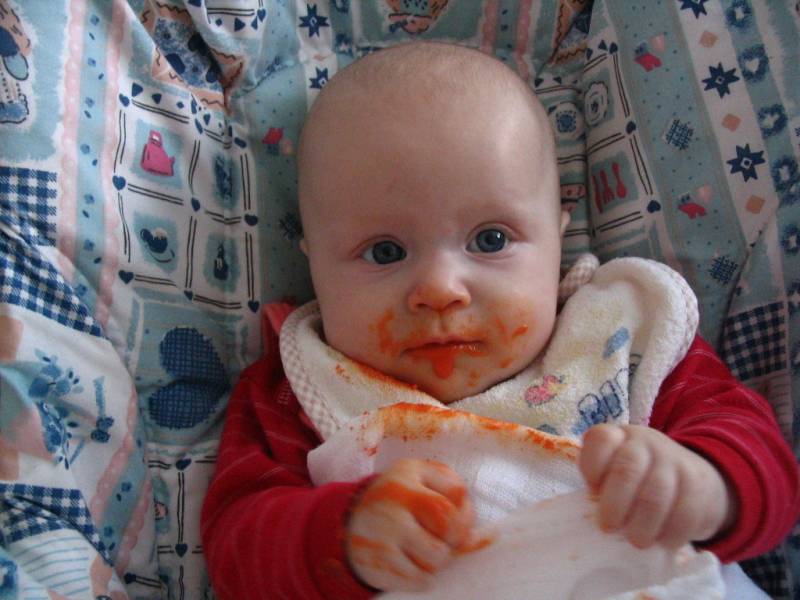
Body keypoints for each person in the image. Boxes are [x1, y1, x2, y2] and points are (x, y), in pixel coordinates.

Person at [201, 42, 800, 598]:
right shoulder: (296, 395)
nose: (440, 290)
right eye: (384, 252)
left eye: (490, 239)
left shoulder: (621, 342)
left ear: (557, 238)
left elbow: (768, 467)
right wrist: (342, 535)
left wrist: (705, 485)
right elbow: (236, 550)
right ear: (314, 263)